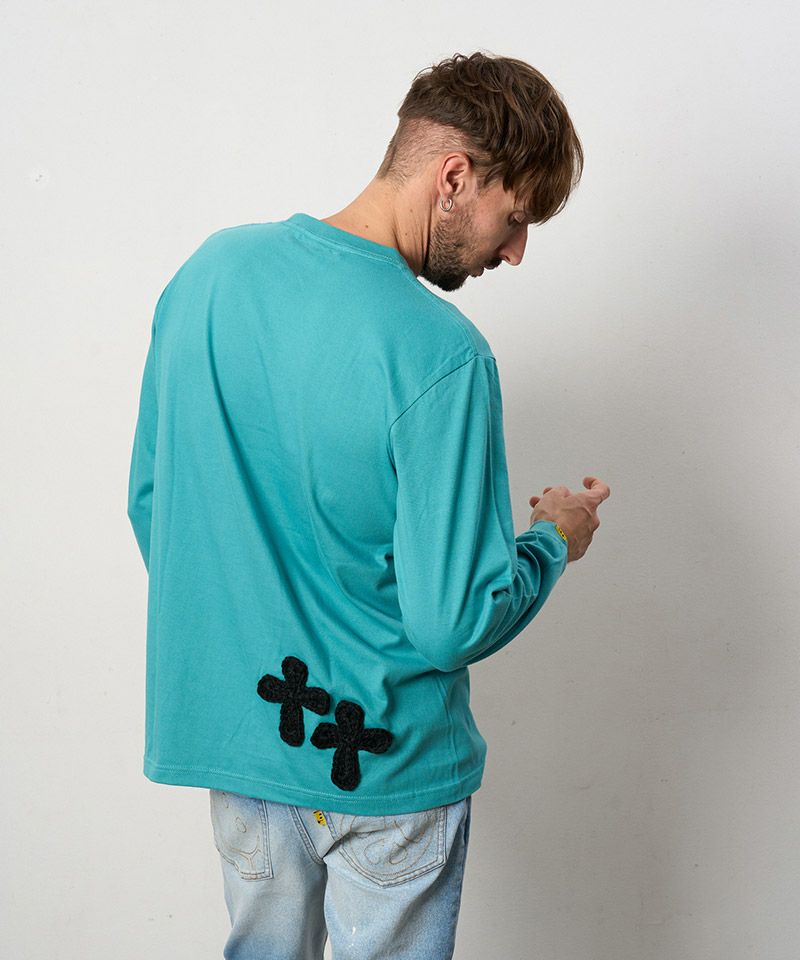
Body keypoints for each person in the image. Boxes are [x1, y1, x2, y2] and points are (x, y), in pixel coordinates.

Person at [127, 50, 610, 960]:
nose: (515, 250)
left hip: (245, 751)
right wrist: (552, 539)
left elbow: (156, 505)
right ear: (454, 178)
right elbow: (452, 620)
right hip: (386, 765)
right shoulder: (442, 355)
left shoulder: (208, 276)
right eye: (515, 217)